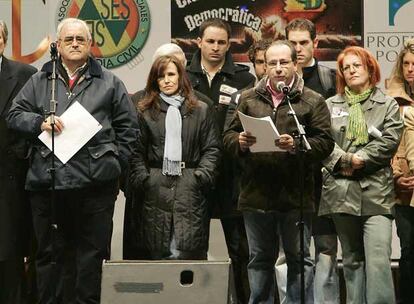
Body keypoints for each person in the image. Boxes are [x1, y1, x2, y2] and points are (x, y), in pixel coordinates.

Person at [7, 18, 138, 304]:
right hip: (47, 185)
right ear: (58, 45)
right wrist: (40, 122)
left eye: (81, 39)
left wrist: (114, 166)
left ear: (91, 45)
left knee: (91, 258)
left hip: (95, 187)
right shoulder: (40, 80)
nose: (76, 44)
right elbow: (14, 116)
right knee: (50, 258)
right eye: (69, 39)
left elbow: (130, 131)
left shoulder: (110, 83)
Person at [224, 40, 334, 304]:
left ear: (295, 64)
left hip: (296, 195)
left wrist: (296, 145)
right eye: (272, 63)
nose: (278, 68)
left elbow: (325, 143)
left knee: (298, 259)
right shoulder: (247, 98)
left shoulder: (312, 100)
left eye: (284, 62)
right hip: (256, 195)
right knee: (259, 259)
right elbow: (226, 136)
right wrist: (238, 142)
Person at [319, 46, 402, 304]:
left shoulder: (387, 104)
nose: (351, 70)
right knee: (352, 260)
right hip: (340, 192)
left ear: (369, 68)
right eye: (346, 67)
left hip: (376, 193)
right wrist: (346, 159)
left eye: (357, 65)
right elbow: (322, 142)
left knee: (377, 260)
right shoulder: (330, 105)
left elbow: (389, 141)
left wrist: (360, 160)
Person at [123, 43, 215, 260]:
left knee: (186, 254)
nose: (167, 80)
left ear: (181, 75)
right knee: (157, 254)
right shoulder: (144, 110)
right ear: (154, 80)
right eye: (161, 76)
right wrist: (144, 179)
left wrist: (200, 176)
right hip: (154, 189)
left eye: (171, 74)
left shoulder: (200, 109)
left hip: (189, 187)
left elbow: (212, 149)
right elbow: (136, 152)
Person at [187, 18, 255, 304]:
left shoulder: (244, 78)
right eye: (210, 41)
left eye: (222, 43)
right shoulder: (183, 77)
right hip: (194, 174)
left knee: (241, 250)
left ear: (229, 45)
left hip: (232, 174)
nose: (216, 48)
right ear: (199, 42)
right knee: (191, 249)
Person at [285, 18, 339, 304]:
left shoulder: (330, 80)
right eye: (292, 43)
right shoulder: (276, 81)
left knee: (327, 250)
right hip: (289, 181)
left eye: (303, 42)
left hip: (325, 181)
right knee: (290, 254)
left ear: (315, 44)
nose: (298, 48)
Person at [0, 20, 37, 304]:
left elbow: (33, 124)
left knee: (10, 258)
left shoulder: (26, 75)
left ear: (3, 41)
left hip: (11, 184)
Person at [388, 38, 414, 304]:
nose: (410, 69)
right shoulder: (391, 102)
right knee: (408, 251)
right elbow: (387, 145)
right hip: (405, 188)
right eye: (405, 63)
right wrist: (396, 176)